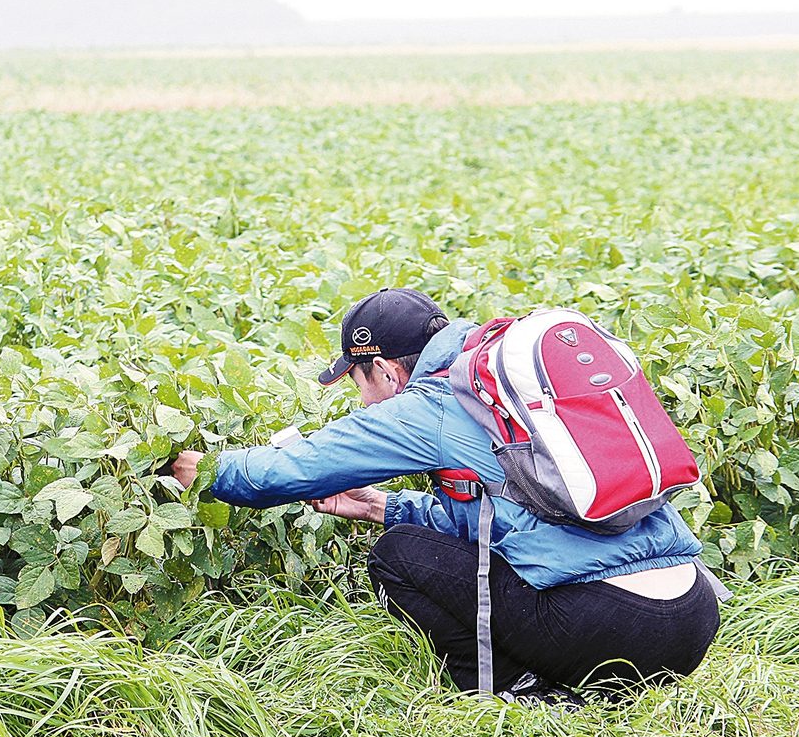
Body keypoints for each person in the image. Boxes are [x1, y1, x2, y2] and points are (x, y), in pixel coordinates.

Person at [170, 287, 719, 706]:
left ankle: (517, 692)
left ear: (383, 369)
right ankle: (575, 679)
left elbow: (293, 469)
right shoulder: (499, 389)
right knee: (408, 534)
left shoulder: (429, 405)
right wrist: (382, 507)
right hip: (692, 618)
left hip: (608, 628)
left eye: (359, 384)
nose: (365, 403)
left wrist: (208, 469)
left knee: (398, 556)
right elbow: (503, 515)